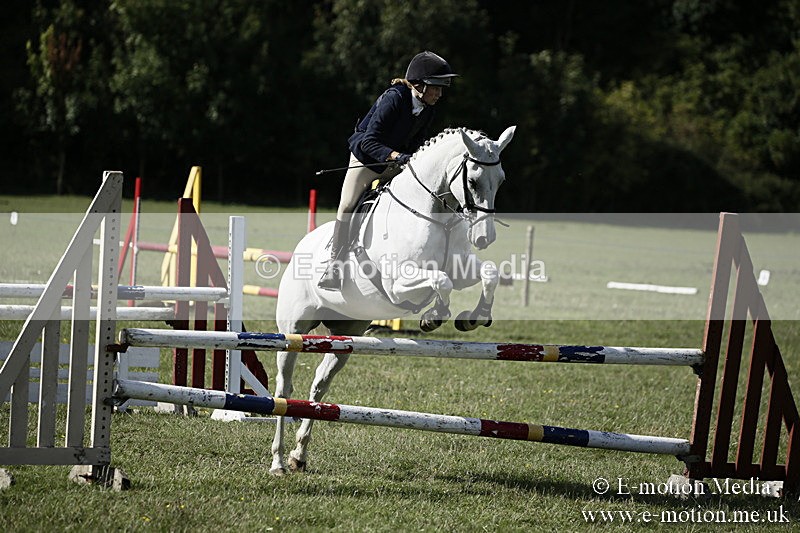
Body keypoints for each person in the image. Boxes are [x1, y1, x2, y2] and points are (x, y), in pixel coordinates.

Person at [318, 50, 459, 290]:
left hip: (396, 162)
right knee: (348, 204)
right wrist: (396, 156)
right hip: (367, 159)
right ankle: (335, 264)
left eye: (441, 88)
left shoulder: (428, 108)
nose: (439, 93)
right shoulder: (394, 98)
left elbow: (418, 142)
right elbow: (369, 142)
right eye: (435, 87)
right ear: (418, 85)